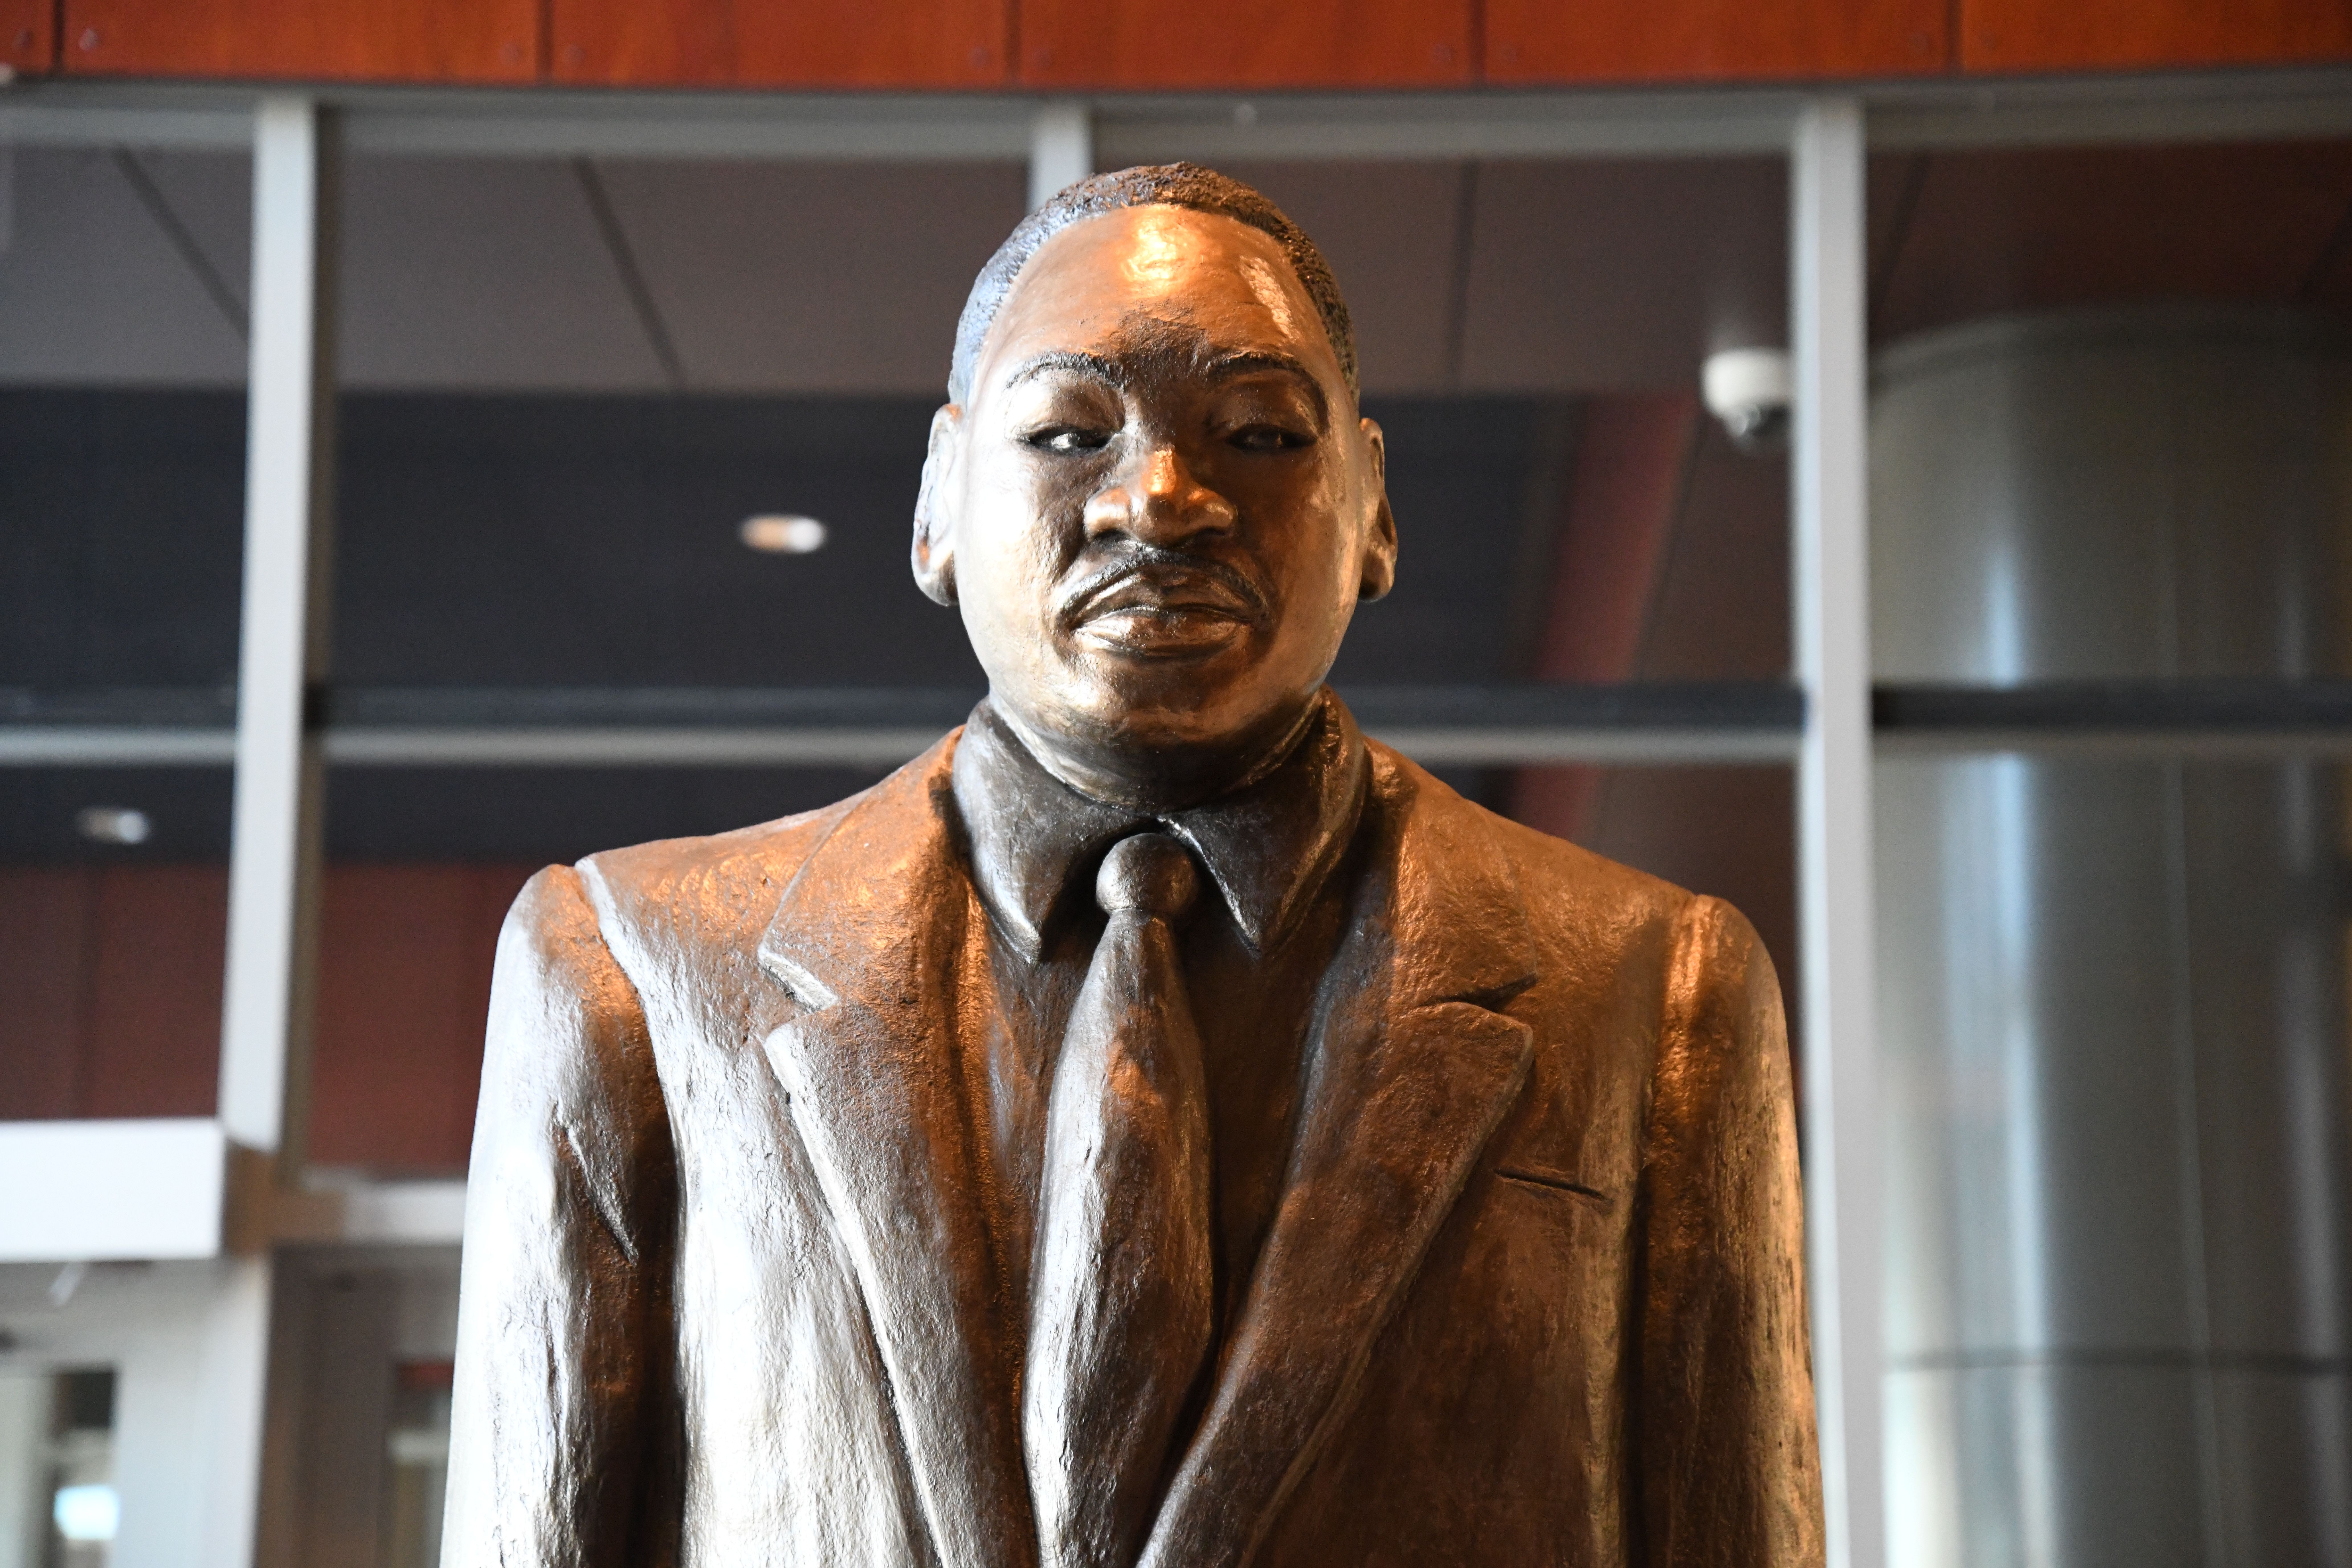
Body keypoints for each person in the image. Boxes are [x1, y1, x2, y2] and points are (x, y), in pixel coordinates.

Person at [443, 164, 1823, 1568]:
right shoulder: (636, 970)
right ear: (937, 500)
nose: (1162, 498)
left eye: (1260, 433)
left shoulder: (1654, 993)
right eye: (1067, 431)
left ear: (1376, 508)